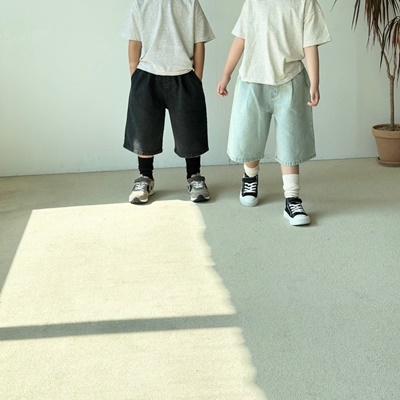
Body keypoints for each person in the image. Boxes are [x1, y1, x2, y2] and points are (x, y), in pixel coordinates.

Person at [217, 0, 331, 226]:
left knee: (291, 142)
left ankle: (292, 199)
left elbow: (310, 44)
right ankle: (250, 178)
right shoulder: (254, 2)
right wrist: (226, 75)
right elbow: (241, 39)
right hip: (252, 79)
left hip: (290, 79)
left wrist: (315, 82)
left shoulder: (305, 3)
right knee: (250, 135)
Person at [120, 0, 215, 204]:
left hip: (184, 74)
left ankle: (194, 176)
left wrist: (197, 78)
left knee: (190, 128)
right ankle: (145, 177)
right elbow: (134, 41)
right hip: (147, 74)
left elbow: (199, 42)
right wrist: (135, 77)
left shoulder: (190, 3)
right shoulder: (140, 4)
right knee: (144, 129)